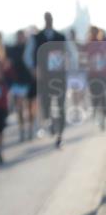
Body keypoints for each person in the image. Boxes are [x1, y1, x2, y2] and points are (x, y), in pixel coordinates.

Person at [25, 12, 70, 147]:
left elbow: (70, 55)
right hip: (44, 78)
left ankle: (60, 136)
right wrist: (34, 70)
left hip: (59, 77)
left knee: (61, 105)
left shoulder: (61, 37)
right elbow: (27, 56)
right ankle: (50, 122)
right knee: (46, 104)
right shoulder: (36, 38)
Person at [6, 29, 36, 142]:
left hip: (30, 81)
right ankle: (22, 129)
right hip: (18, 82)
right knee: (19, 107)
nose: (20, 38)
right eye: (18, 36)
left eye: (22, 36)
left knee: (30, 107)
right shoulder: (12, 49)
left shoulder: (30, 49)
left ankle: (31, 128)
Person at [88, 26, 106, 131]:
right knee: (95, 97)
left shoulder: (103, 44)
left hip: (102, 74)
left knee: (103, 97)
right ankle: (98, 115)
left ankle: (102, 118)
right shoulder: (88, 45)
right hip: (92, 75)